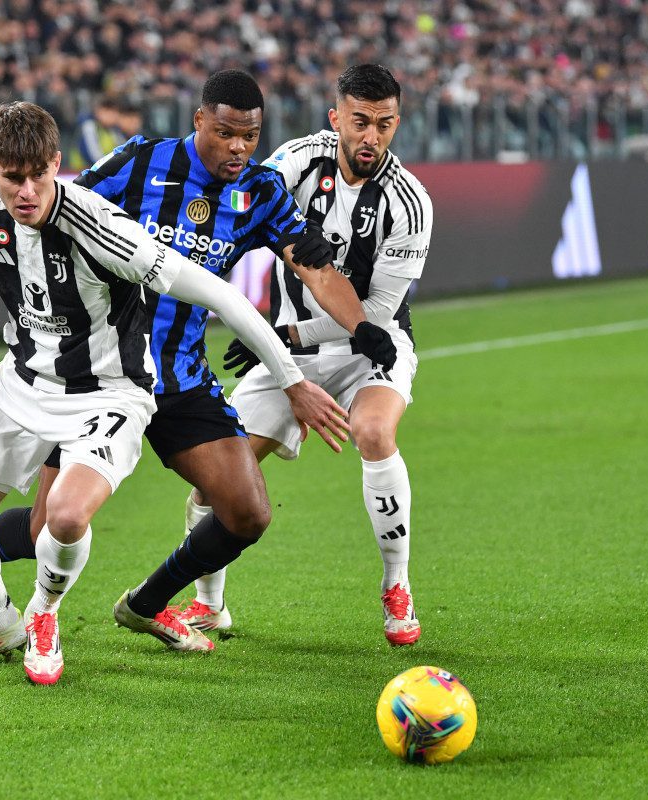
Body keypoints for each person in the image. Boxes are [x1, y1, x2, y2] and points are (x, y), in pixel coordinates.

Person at [0, 101, 345, 685]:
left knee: (69, 514)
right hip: (21, 383)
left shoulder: (102, 226)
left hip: (109, 393)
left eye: (38, 175)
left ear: (57, 164)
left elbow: (224, 298)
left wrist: (293, 379)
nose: (26, 191)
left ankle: (44, 615)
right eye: (11, 178)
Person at [0, 70, 397, 654]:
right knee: (45, 525)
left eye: (250, 136)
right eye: (226, 132)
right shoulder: (140, 161)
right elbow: (49, 198)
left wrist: (361, 328)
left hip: (177, 375)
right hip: (98, 373)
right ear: (199, 120)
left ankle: (146, 604)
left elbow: (315, 267)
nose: (238, 147)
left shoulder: (260, 192)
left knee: (248, 511)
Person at [198, 64, 433, 646]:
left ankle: (396, 586)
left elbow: (373, 320)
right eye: (359, 122)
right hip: (288, 353)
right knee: (211, 480)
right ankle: (209, 606)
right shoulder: (297, 163)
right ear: (337, 120)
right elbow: (241, 209)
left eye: (383, 124)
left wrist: (281, 338)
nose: (370, 137)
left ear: (397, 124)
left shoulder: (411, 204)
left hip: (367, 349)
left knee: (374, 433)